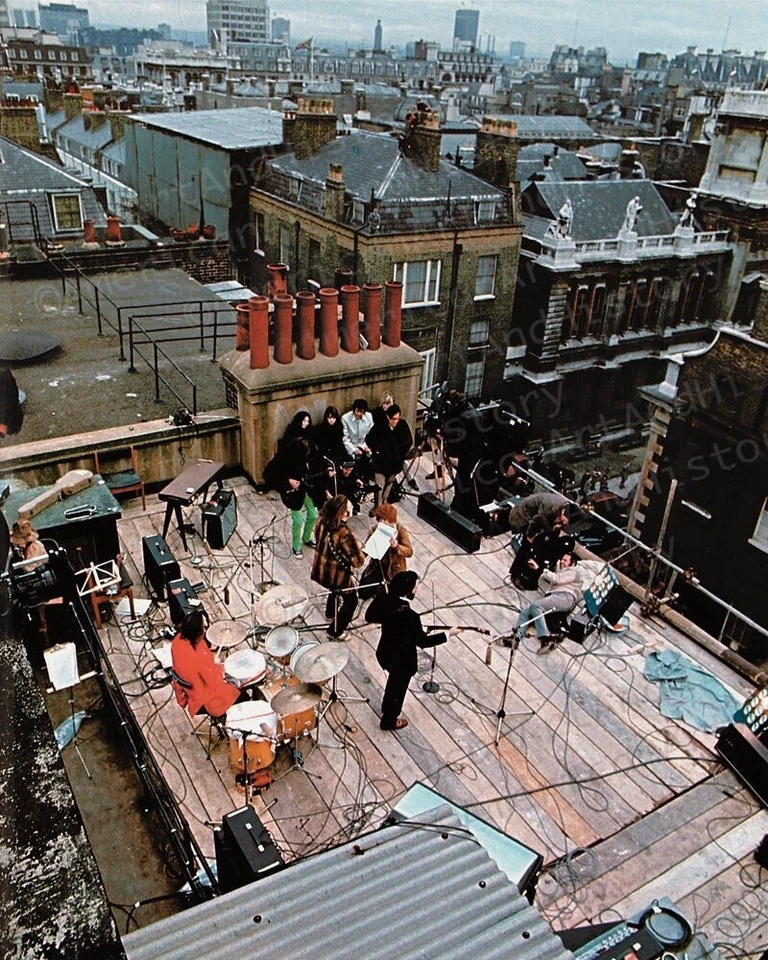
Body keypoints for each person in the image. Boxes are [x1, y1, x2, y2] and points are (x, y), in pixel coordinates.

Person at [366, 571, 455, 731]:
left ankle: (387, 706)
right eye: (415, 587)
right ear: (408, 591)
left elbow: (370, 616)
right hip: (402, 661)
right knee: (398, 690)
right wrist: (447, 635)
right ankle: (389, 720)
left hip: (386, 652)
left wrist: (380, 599)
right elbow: (423, 642)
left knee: (393, 684)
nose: (417, 589)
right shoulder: (410, 616)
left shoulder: (386, 599)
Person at [170, 609, 245, 718]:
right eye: (203, 628)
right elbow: (214, 682)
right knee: (242, 694)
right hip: (205, 699)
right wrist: (218, 666)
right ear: (197, 633)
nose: (205, 630)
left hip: (190, 691)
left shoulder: (177, 641)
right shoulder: (199, 657)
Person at [311, 495, 365, 639]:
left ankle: (330, 613)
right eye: (350, 508)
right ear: (344, 513)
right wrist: (361, 549)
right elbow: (358, 562)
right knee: (351, 601)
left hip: (321, 568)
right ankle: (335, 631)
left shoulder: (321, 521)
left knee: (333, 591)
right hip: (337, 575)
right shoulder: (345, 534)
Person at [508, 552, 583, 655]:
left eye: (565, 560)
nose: (561, 561)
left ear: (572, 563)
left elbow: (557, 579)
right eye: (562, 559)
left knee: (536, 606)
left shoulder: (574, 571)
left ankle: (545, 639)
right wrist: (539, 569)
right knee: (526, 613)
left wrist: (541, 569)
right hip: (556, 596)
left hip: (565, 597)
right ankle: (515, 638)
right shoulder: (561, 571)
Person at [365, 403, 413, 514]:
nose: (395, 421)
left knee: (388, 485)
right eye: (393, 419)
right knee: (379, 486)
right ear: (388, 417)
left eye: (397, 418)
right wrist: (377, 450)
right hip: (381, 463)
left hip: (394, 463)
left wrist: (398, 451)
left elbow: (409, 441)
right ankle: (377, 506)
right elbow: (370, 439)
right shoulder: (380, 427)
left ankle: (384, 503)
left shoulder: (402, 425)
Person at [358, 502, 413, 597]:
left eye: (384, 520)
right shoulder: (375, 529)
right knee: (363, 592)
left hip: (393, 568)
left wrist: (397, 547)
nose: (381, 522)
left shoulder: (400, 530)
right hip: (377, 565)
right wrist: (359, 554)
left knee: (386, 595)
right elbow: (366, 548)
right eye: (380, 520)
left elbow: (409, 552)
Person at [279, 437, 319, 558]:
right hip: (294, 494)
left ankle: (306, 538)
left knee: (313, 514)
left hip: (306, 489)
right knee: (297, 521)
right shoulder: (286, 460)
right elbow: (277, 474)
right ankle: (296, 546)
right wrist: (289, 481)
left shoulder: (308, 457)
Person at [312, 405, 347, 470]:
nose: (331, 420)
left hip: (337, 452)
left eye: (333, 418)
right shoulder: (321, 429)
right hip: (325, 453)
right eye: (329, 418)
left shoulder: (339, 427)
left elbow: (339, 443)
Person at [341, 398, 374, 464]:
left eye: (362, 412)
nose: (359, 414)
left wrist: (369, 447)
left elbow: (372, 434)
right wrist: (354, 450)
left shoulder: (369, 416)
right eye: (357, 411)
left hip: (364, 445)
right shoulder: (345, 418)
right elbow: (345, 438)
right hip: (351, 446)